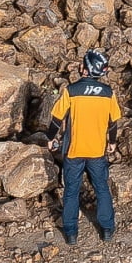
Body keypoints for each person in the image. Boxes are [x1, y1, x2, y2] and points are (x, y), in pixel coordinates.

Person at [48, 49, 122, 245]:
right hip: (97, 152)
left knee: (71, 191)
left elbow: (57, 119)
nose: (80, 66)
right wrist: (112, 142)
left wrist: (49, 138)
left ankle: (71, 233)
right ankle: (107, 229)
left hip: (74, 151)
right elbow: (113, 122)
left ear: (86, 69)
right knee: (102, 189)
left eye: (82, 64)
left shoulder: (71, 91)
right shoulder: (108, 94)